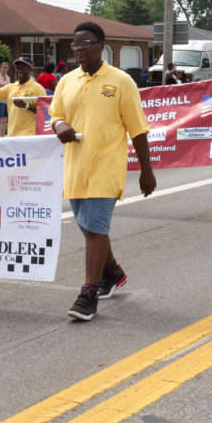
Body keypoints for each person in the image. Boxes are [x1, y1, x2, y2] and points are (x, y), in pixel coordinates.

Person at [48, 22, 156, 321]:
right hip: (75, 167)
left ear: (100, 46)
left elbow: (138, 129)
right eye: (75, 44)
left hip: (106, 167)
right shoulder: (66, 81)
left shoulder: (121, 81)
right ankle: (113, 271)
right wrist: (59, 125)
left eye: (85, 43)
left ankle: (89, 294)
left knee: (95, 228)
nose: (79, 48)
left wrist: (147, 171)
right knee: (86, 226)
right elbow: (55, 113)